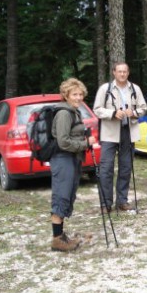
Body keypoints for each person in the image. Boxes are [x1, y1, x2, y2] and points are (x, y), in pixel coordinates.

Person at [50, 78, 97, 252]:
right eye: (74, 94)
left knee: (67, 196)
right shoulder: (63, 113)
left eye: (80, 94)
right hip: (63, 159)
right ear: (66, 95)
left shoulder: (74, 111)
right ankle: (57, 240)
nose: (78, 97)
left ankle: (61, 236)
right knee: (61, 196)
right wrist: (85, 143)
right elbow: (63, 142)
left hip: (72, 159)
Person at [93, 62, 147, 212]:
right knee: (106, 168)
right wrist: (112, 113)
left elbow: (143, 108)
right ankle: (105, 203)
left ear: (128, 73)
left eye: (125, 71)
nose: (122, 74)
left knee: (125, 167)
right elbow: (97, 109)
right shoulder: (105, 89)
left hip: (128, 131)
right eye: (119, 71)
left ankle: (122, 201)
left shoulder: (135, 89)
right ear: (114, 73)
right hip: (109, 132)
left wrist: (134, 113)